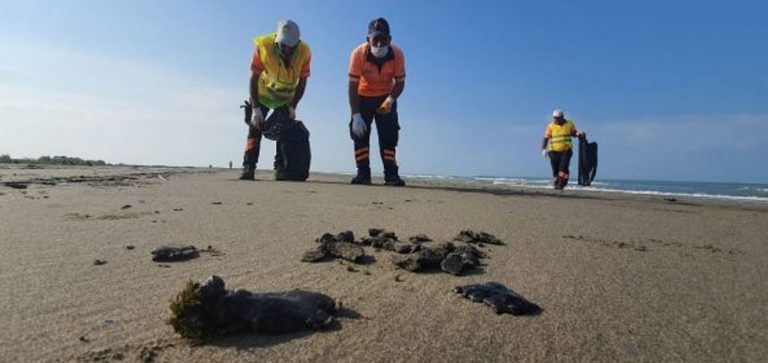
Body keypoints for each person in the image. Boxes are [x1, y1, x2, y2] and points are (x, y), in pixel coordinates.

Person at [240, 20, 311, 180]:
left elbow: (303, 80)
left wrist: (293, 105)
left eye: (291, 46)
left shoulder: (304, 52)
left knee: (283, 130)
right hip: (263, 93)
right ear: (277, 39)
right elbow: (253, 77)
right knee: (255, 128)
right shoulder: (263, 46)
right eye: (283, 44)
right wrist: (256, 109)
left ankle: (280, 168)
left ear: (298, 43)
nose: (287, 49)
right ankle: (248, 167)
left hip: (286, 98)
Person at [347, 18, 406, 186]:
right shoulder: (358, 54)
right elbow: (352, 86)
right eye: (375, 40)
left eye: (383, 39)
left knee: (389, 135)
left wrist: (390, 99)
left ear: (390, 39)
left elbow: (400, 82)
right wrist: (356, 115)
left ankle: (391, 174)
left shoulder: (398, 55)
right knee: (359, 133)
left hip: (386, 97)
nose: (379, 44)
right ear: (368, 40)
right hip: (362, 96)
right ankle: (363, 173)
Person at [541, 109, 584, 190]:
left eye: (557, 118)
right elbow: (546, 138)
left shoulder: (569, 124)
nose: (556, 120)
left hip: (566, 150)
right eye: (554, 118)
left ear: (562, 117)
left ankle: (562, 183)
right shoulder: (550, 126)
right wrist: (543, 149)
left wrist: (578, 134)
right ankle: (557, 182)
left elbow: (573, 133)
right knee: (555, 169)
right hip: (553, 151)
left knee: (563, 168)